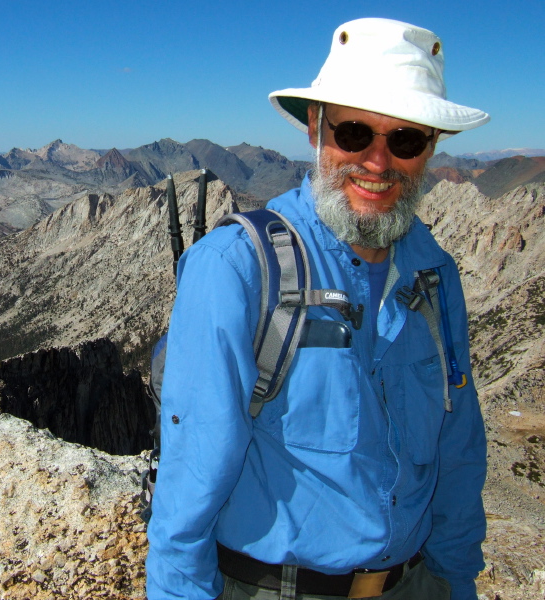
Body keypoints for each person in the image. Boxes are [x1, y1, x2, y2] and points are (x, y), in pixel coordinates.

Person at [145, 18, 488, 600]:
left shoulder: (435, 275)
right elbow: (190, 481)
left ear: (431, 147)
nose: (378, 163)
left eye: (405, 139)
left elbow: (458, 453)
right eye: (354, 133)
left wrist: (457, 583)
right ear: (316, 128)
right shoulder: (235, 266)